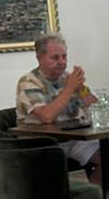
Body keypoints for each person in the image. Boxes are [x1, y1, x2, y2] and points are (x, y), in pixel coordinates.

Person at [16, 33, 100, 171]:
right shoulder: (28, 82)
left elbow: (93, 103)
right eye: (55, 57)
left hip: (72, 140)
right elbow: (47, 116)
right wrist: (70, 88)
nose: (61, 62)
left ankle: (98, 186)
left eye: (64, 56)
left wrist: (81, 90)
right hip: (40, 145)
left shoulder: (67, 78)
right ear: (39, 58)